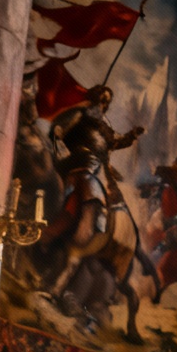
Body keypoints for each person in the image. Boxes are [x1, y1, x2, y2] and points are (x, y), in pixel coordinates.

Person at [48, 85, 144, 238]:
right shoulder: (81, 113)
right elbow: (58, 131)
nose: (104, 104)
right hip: (79, 159)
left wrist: (132, 135)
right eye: (102, 99)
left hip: (100, 165)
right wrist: (63, 152)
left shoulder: (104, 125)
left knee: (118, 194)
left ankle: (108, 229)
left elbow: (116, 141)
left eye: (107, 102)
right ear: (94, 98)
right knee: (88, 185)